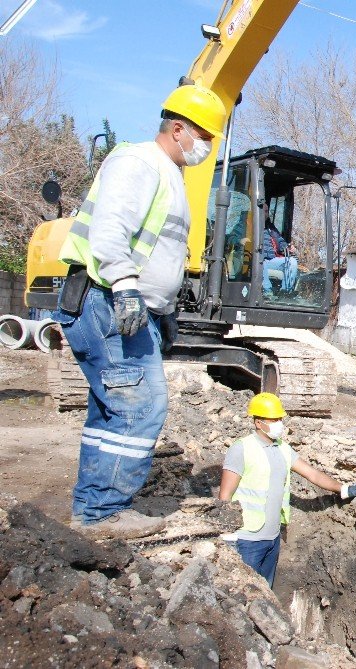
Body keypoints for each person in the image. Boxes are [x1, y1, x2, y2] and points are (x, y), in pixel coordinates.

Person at [53, 84, 227, 540]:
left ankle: (93, 508)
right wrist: (129, 293)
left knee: (112, 409)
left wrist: (164, 310)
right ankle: (103, 514)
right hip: (106, 300)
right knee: (140, 405)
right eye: (205, 137)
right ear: (178, 128)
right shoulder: (138, 162)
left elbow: (158, 253)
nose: (206, 148)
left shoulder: (170, 175)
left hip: (127, 306)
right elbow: (110, 232)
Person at [218, 392, 356, 587]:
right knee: (242, 593)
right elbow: (225, 495)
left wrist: (344, 489)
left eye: (279, 419)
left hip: (272, 538)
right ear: (258, 422)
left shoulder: (282, 448)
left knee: (265, 596)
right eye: (273, 419)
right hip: (247, 539)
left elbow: (312, 474)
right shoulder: (241, 449)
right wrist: (228, 537)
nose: (278, 423)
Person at [262, 221, 298, 296]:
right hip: (256, 259)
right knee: (261, 262)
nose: (265, 213)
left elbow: (281, 242)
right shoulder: (247, 222)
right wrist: (241, 241)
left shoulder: (270, 228)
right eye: (264, 210)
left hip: (271, 260)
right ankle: (267, 292)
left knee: (292, 261)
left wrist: (288, 248)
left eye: (266, 211)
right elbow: (233, 237)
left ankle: (285, 292)